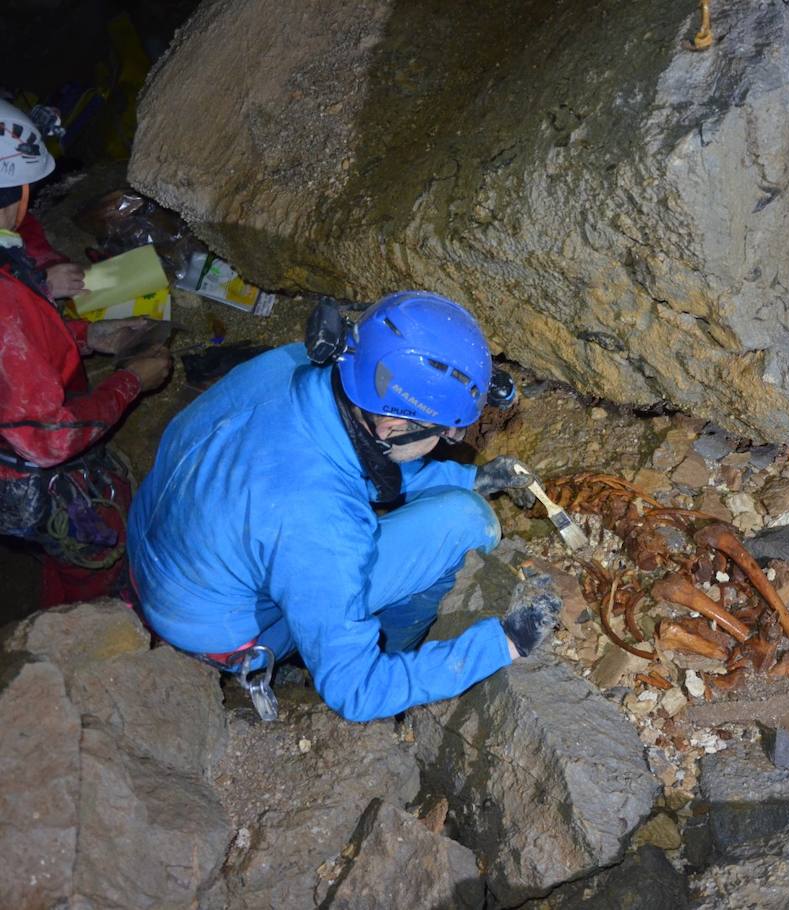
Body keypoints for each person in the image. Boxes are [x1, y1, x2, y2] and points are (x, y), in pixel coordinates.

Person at [127, 291, 560, 722]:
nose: (449, 443)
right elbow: (357, 692)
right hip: (223, 631)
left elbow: (354, 454)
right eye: (445, 434)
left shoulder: (295, 365)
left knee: (457, 498)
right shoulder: (322, 525)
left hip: (167, 556)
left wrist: (473, 478)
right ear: (393, 425)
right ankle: (389, 654)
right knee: (467, 521)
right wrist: (505, 643)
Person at [0, 99, 172, 607]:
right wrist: (131, 381)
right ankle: (86, 619)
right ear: (21, 191)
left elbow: (17, 352)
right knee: (96, 543)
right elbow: (49, 438)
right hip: (24, 473)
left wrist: (89, 337)